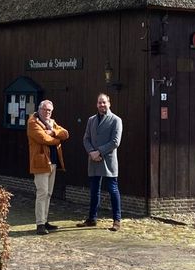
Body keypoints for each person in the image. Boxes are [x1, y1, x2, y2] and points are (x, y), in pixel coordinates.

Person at [78, 93, 123, 231]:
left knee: (113, 190)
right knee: (94, 191)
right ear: (96, 104)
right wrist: (91, 152)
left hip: (107, 160)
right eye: (99, 102)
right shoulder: (91, 120)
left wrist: (99, 152)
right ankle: (92, 218)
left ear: (109, 103)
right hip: (93, 160)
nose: (101, 105)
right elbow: (86, 138)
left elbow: (115, 141)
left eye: (104, 102)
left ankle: (117, 220)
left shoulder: (116, 120)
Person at [27, 99, 69, 235]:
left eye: (49, 110)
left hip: (53, 162)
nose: (47, 112)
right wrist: (57, 139)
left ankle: (45, 221)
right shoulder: (32, 122)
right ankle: (39, 224)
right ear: (39, 109)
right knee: (42, 192)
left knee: (49, 194)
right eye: (45, 110)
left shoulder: (52, 122)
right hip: (41, 163)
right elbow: (43, 139)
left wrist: (54, 132)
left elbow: (66, 133)